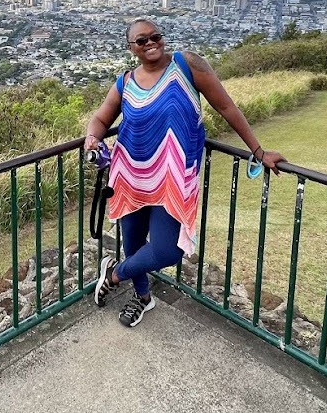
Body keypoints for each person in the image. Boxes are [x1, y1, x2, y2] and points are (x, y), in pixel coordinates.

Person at [84, 18, 286, 327]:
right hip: (131, 175)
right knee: (134, 244)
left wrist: (258, 151)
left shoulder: (187, 65)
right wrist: (92, 139)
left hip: (175, 179)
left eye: (156, 36)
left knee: (168, 249)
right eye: (142, 40)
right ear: (131, 48)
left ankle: (114, 274)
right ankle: (142, 298)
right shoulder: (125, 82)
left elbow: (227, 107)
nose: (150, 42)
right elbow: (100, 119)